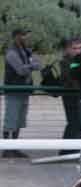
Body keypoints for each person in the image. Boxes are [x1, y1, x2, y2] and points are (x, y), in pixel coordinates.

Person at [3, 28, 41, 158]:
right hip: (14, 90)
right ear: (16, 37)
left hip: (24, 90)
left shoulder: (26, 51)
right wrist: (32, 66)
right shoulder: (11, 53)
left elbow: (38, 63)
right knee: (11, 120)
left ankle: (14, 148)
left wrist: (32, 65)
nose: (25, 37)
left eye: (26, 35)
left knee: (19, 121)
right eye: (22, 35)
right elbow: (21, 70)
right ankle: (6, 149)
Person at [59, 38, 81, 145]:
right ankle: (66, 150)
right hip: (70, 97)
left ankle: (71, 148)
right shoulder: (65, 62)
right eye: (74, 48)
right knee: (73, 123)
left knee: (78, 124)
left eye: (79, 48)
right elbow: (71, 78)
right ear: (68, 49)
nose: (77, 51)